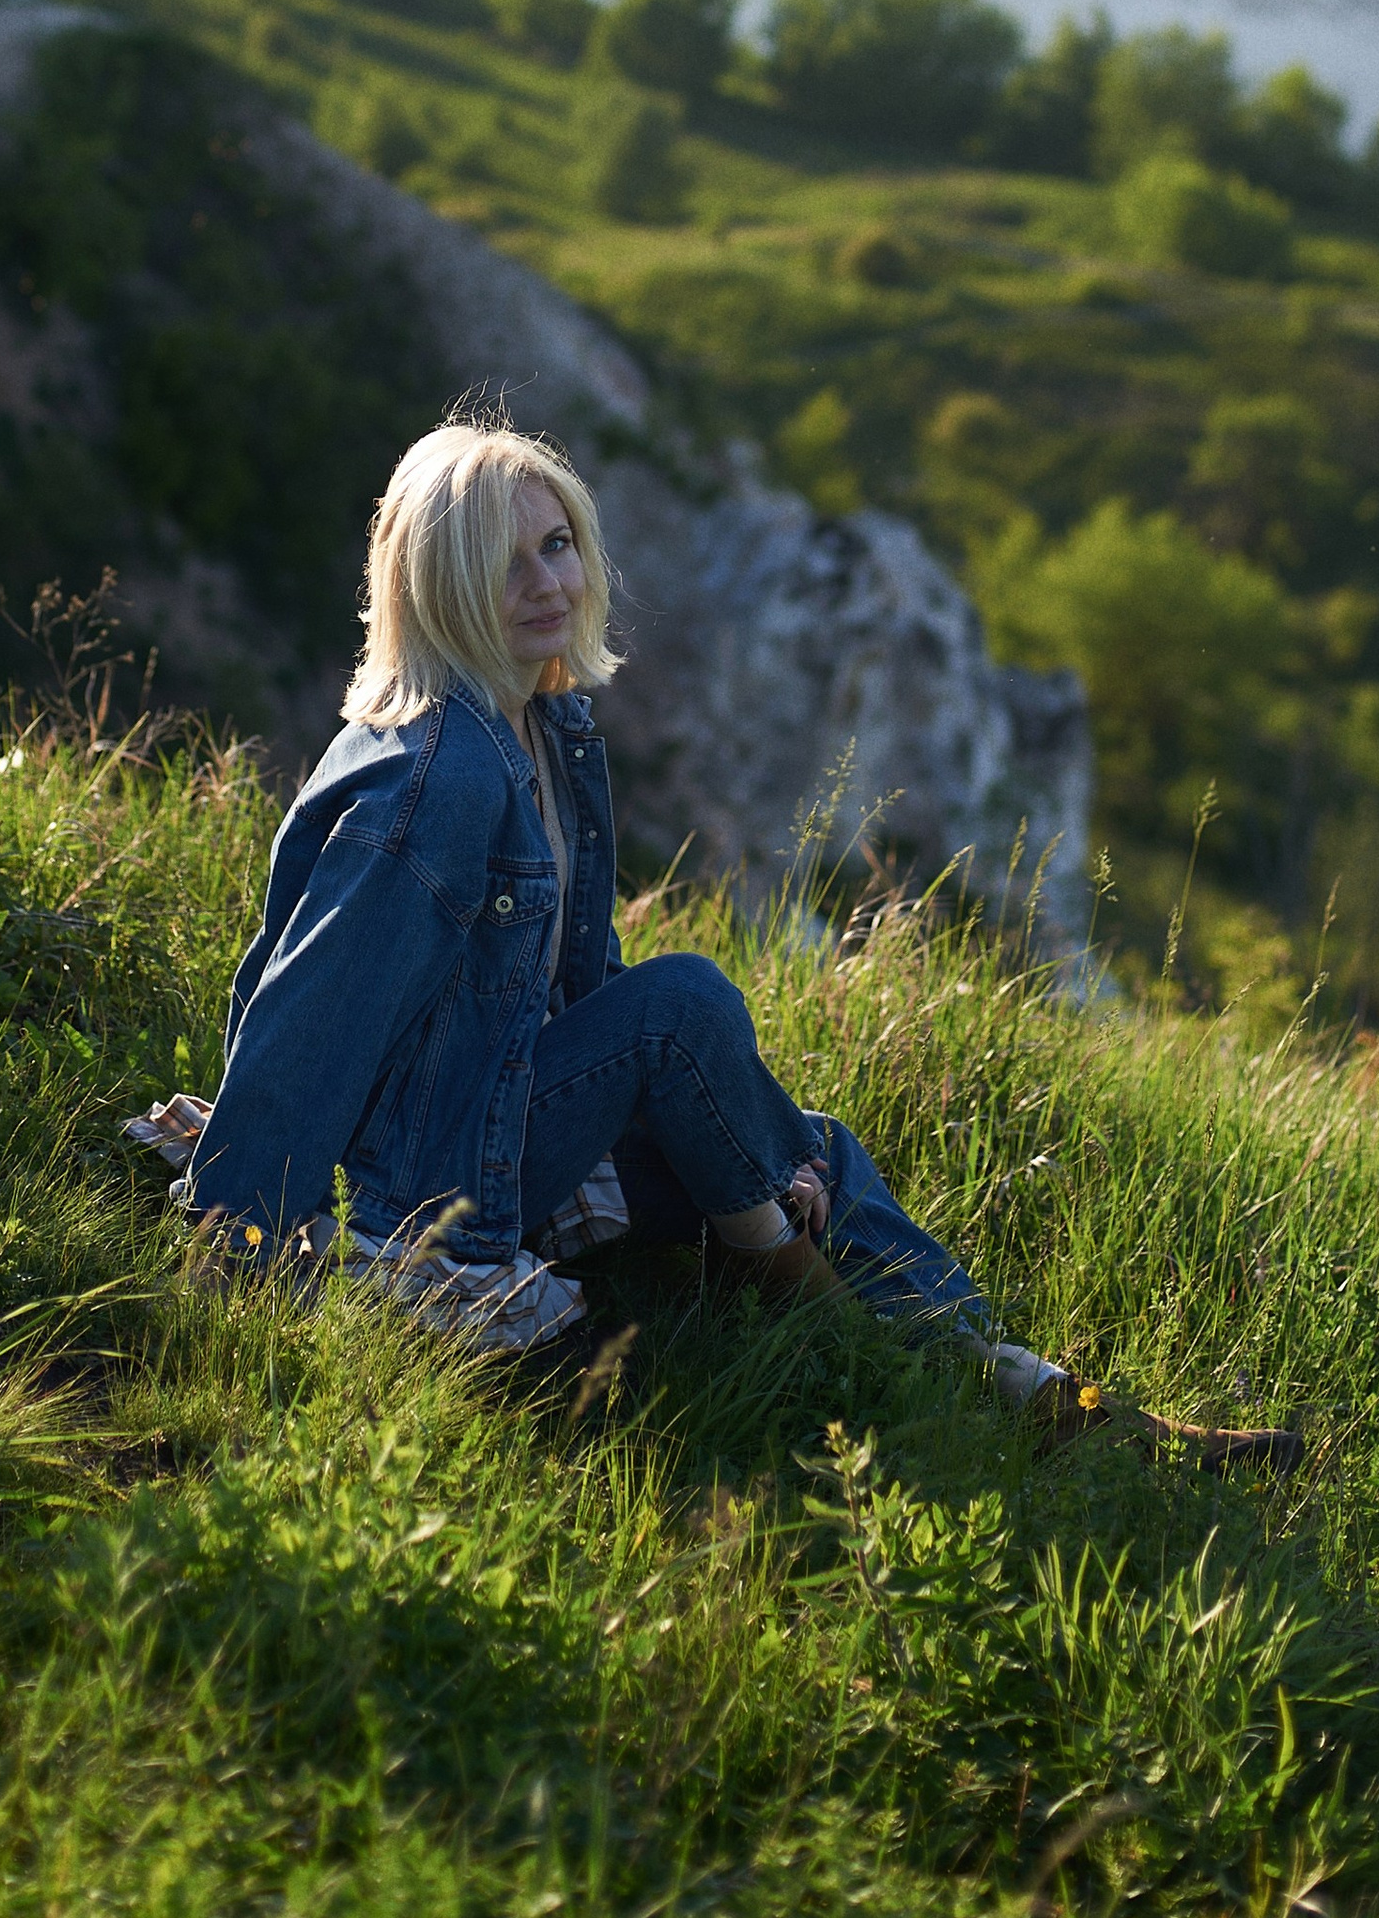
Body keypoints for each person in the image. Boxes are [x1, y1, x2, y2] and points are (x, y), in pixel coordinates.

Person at [149, 418, 1296, 1466]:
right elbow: (311, 1017)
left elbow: (569, 996)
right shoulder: (435, 778)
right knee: (686, 1001)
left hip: (494, 1113)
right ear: (439, 583)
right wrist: (234, 1236)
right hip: (421, 1179)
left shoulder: (549, 727)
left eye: (558, 544)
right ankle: (856, 1339)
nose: (551, 581)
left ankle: (1041, 1398)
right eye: (508, 562)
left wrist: (730, 1137)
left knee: (815, 1149)